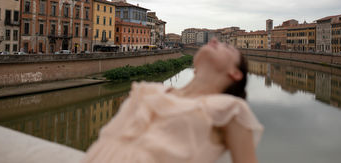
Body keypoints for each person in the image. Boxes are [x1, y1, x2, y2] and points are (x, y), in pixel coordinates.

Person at [82, 38, 263, 163]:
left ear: (236, 73)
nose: (214, 41)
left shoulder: (229, 109)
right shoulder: (149, 90)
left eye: (227, 47)